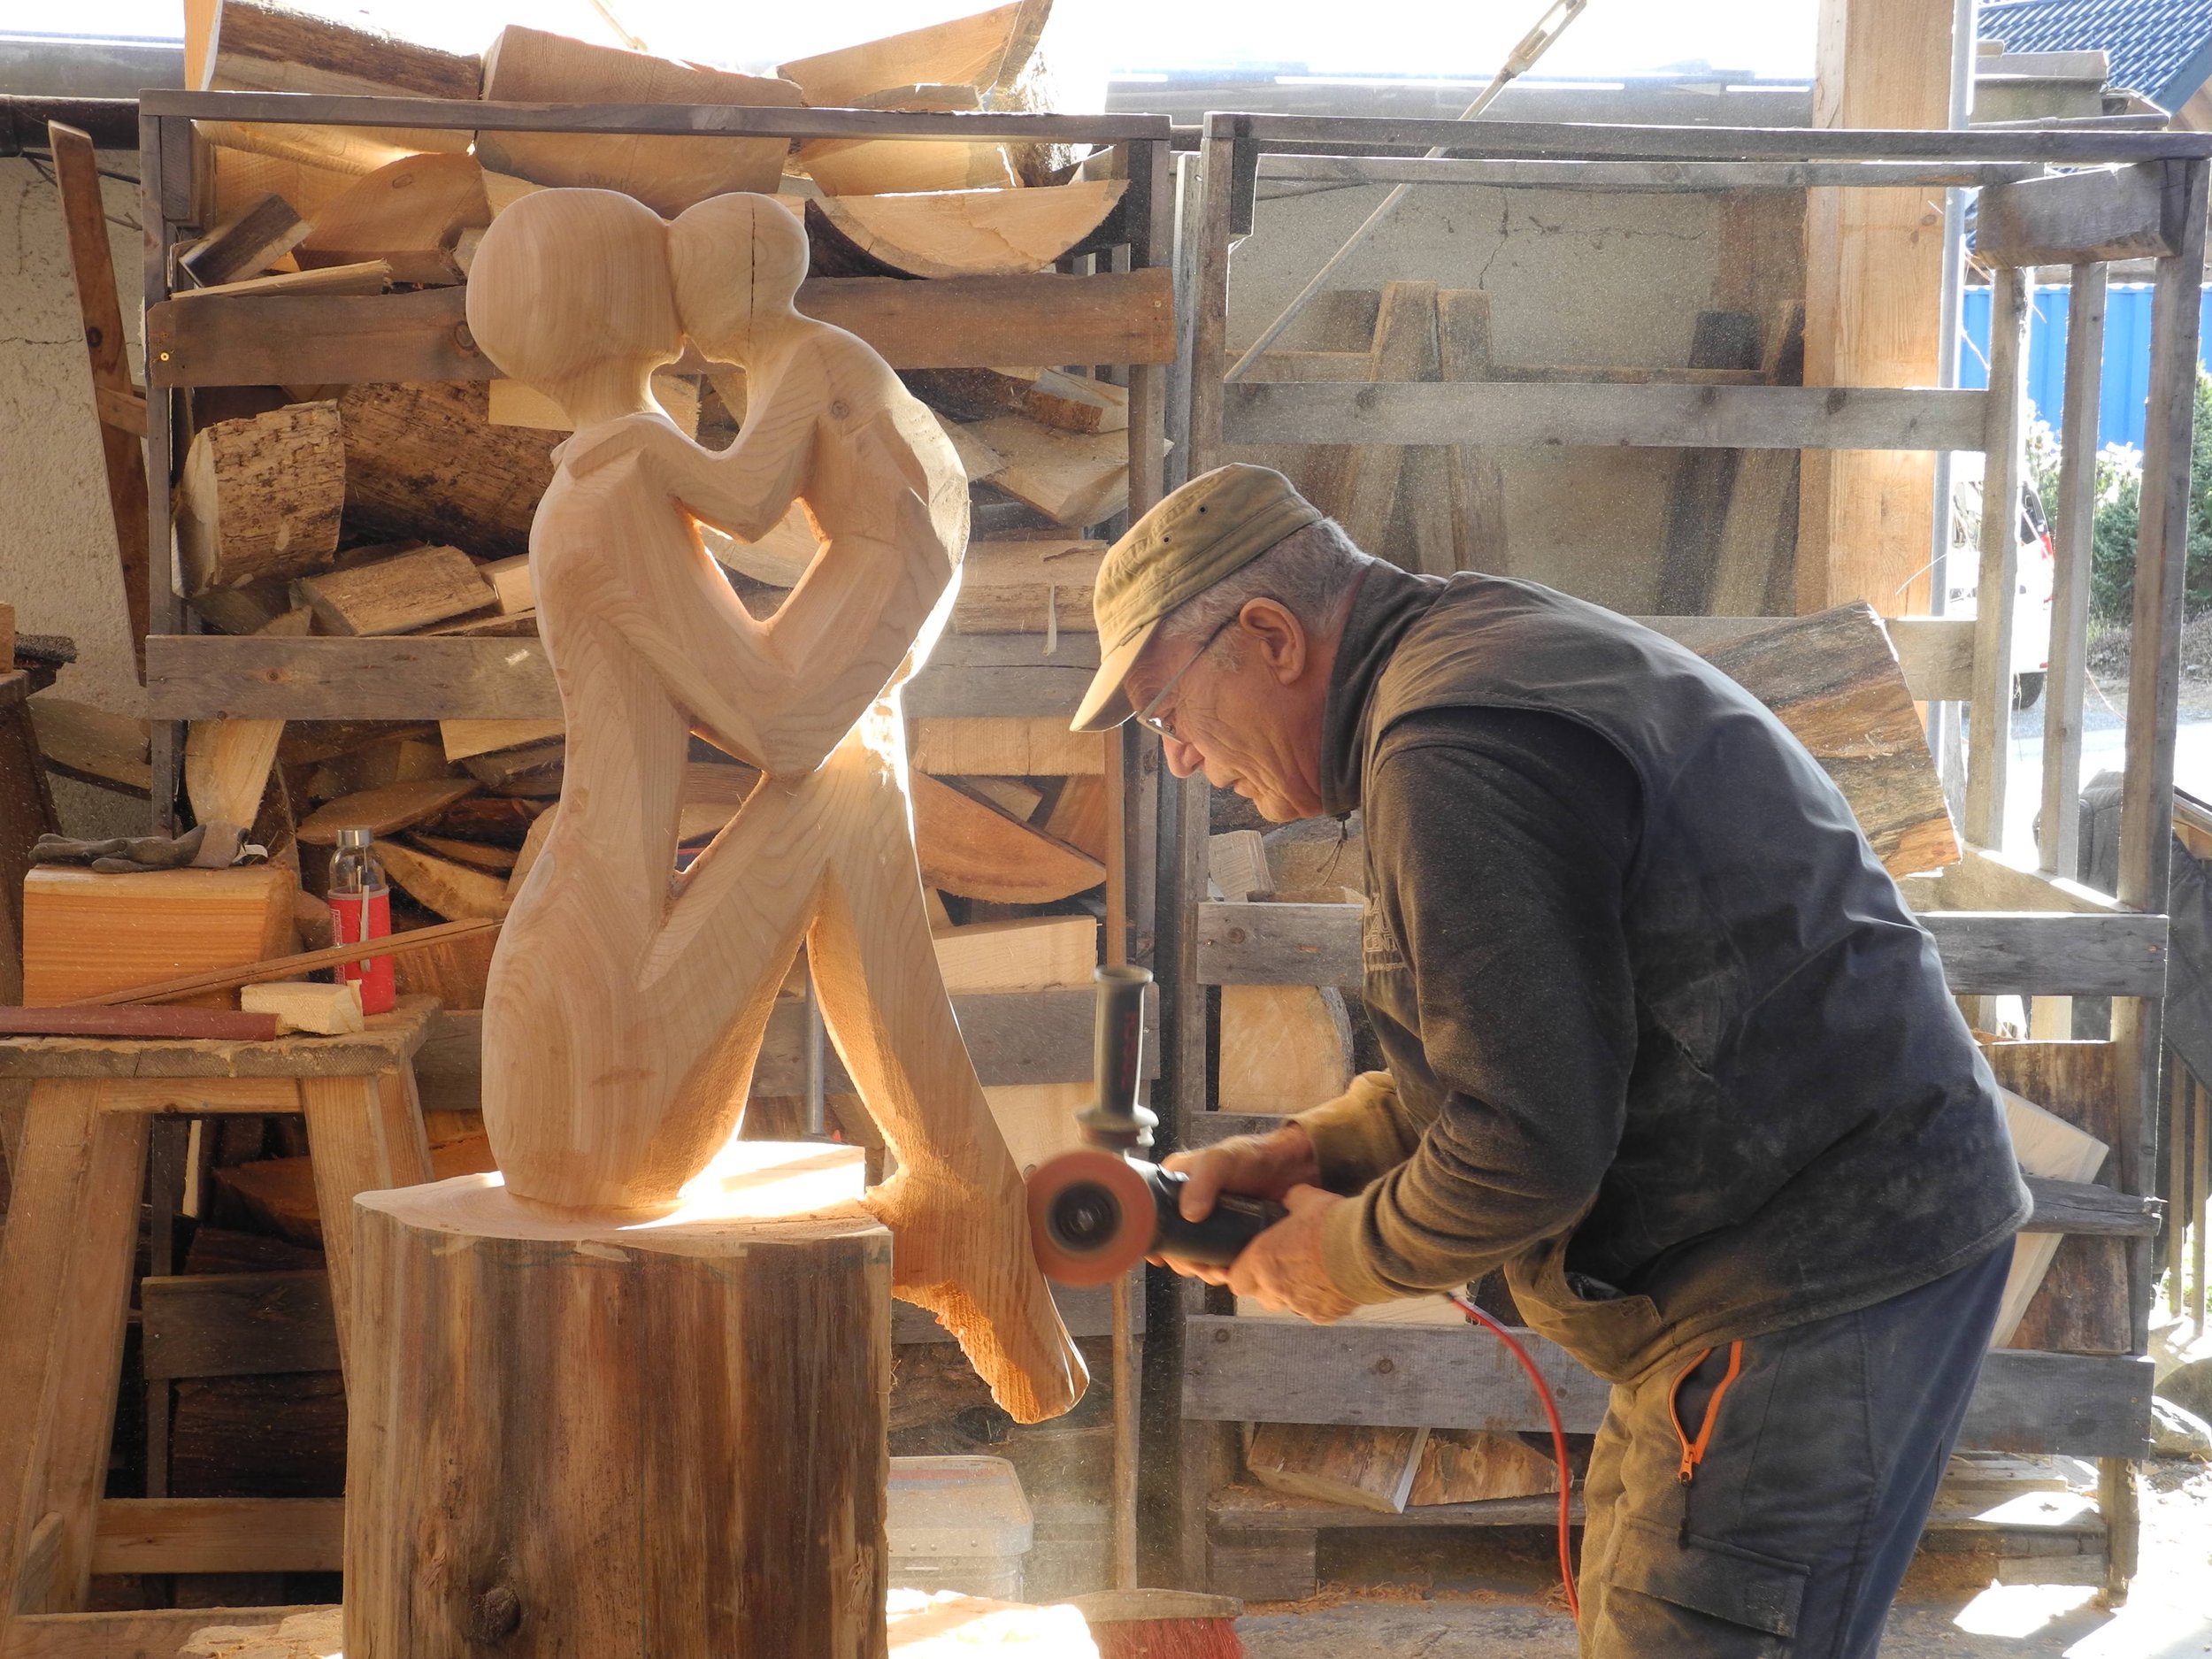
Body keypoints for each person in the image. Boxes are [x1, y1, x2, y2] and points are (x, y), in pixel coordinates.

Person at [1071, 463, 2027, 1657]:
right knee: (1641, 1609)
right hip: (1778, 1242)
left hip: (1814, 1265)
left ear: (1266, 635)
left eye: (1167, 714)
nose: (1181, 761)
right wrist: (1320, 1148)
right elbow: (1545, 1043)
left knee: (1698, 1630)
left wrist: (1344, 1254)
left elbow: (1529, 1147)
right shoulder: (1467, 654)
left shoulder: (1447, 749)